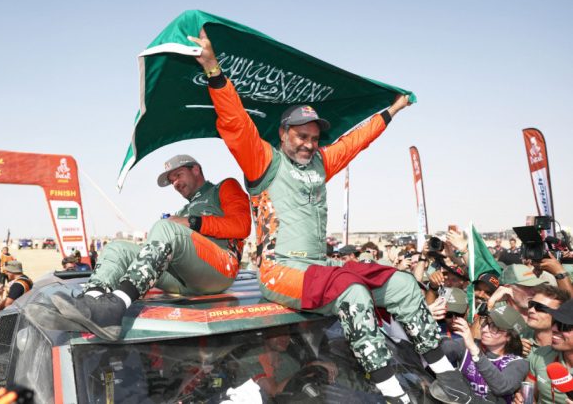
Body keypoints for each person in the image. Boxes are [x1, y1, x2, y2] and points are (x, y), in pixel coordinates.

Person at [186, 29, 477, 404]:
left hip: (318, 268)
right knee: (352, 293)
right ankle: (393, 394)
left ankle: (446, 374)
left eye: (313, 137)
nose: (309, 143)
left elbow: (355, 141)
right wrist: (213, 70)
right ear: (283, 134)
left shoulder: (321, 163)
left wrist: (392, 111)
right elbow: (235, 123)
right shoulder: (264, 162)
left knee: (403, 284)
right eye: (301, 136)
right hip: (280, 271)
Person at [31, 155, 251, 341]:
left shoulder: (224, 187)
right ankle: (90, 304)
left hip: (220, 269)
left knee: (165, 227)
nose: (175, 183)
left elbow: (242, 226)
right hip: (185, 280)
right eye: (172, 180)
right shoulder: (184, 209)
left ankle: (116, 306)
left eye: (178, 175)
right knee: (117, 248)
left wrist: (191, 222)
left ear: (196, 170)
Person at [442, 304, 528, 403]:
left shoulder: (518, 363)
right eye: (485, 322)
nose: (484, 329)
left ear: (510, 336)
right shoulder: (466, 346)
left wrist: (475, 351)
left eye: (494, 327)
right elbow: (439, 349)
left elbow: (501, 387)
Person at [518, 299, 573, 404]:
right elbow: (529, 397)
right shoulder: (541, 354)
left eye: (564, 326)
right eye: (554, 322)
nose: (554, 329)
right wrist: (522, 399)